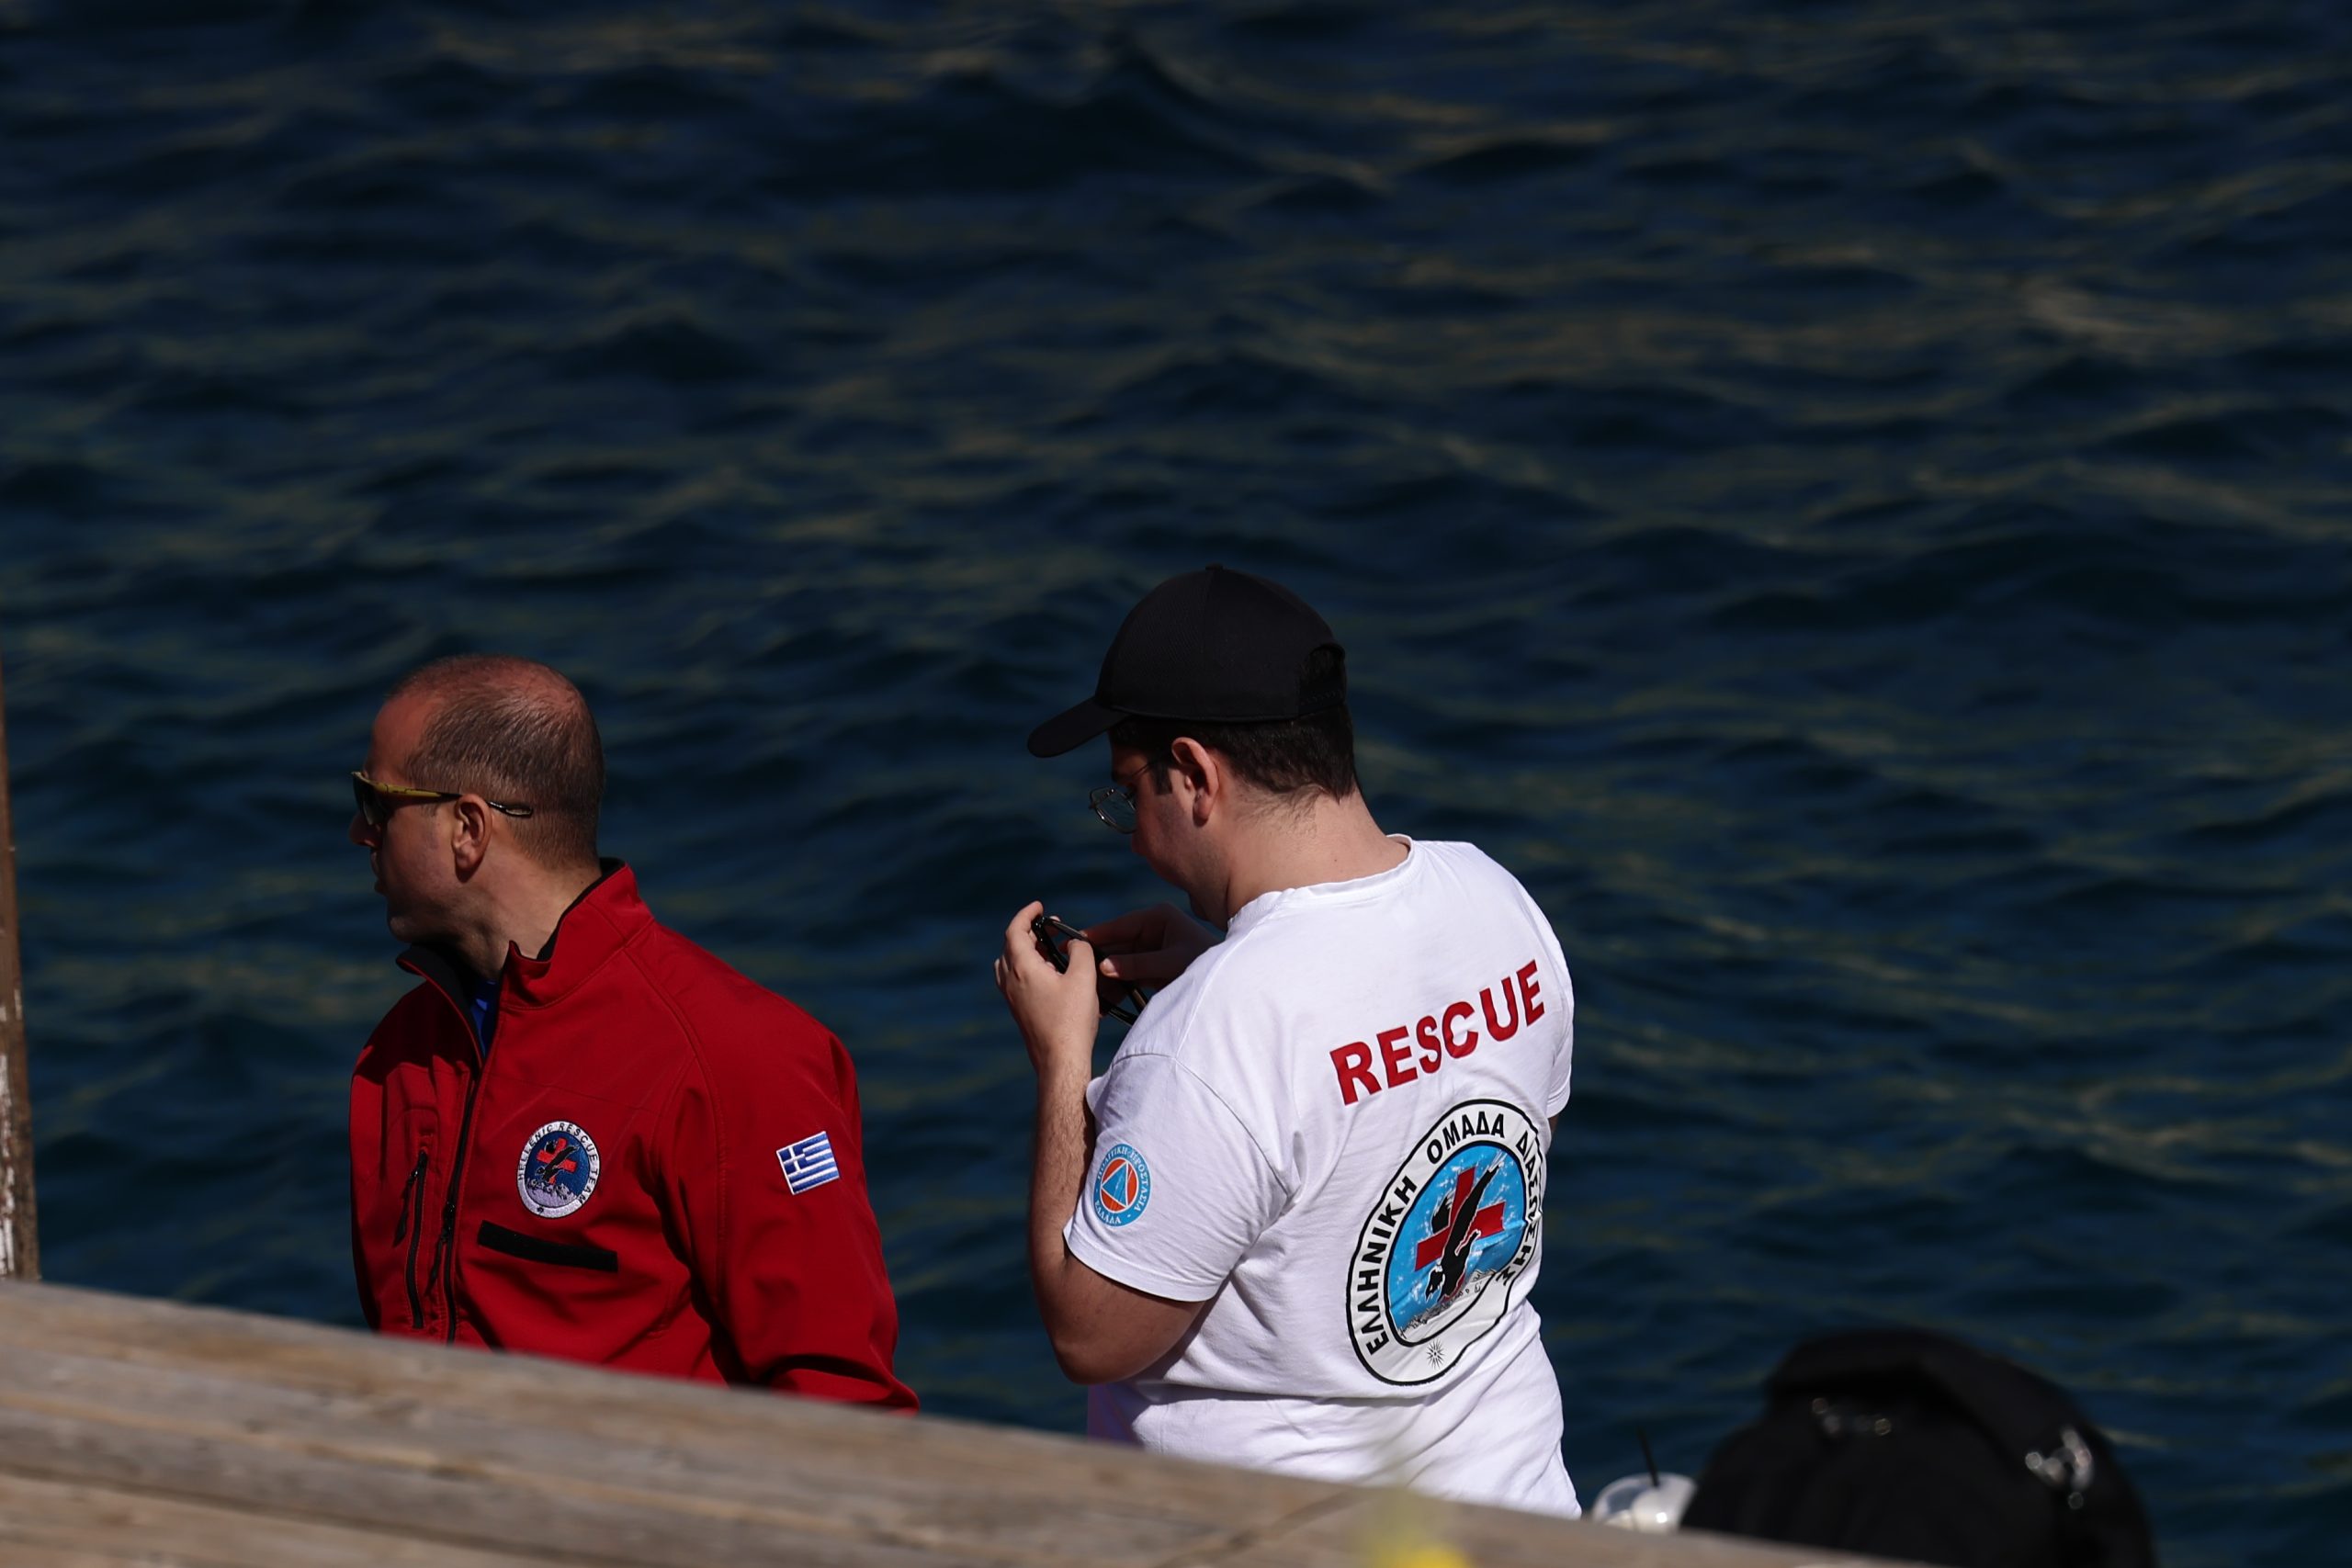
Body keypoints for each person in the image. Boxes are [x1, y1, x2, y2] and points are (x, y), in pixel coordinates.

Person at [994, 566, 1577, 1514]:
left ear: (1195, 775)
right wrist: (1217, 974)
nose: (1134, 838)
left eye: (1129, 795)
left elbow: (1090, 1334)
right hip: (1528, 1519)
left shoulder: (1208, 1039)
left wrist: (1062, 1061)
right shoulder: (1498, 902)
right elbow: (1474, 1125)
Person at [346, 654, 914, 1408]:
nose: (360, 831)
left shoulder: (740, 1059)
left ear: (468, 828)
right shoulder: (397, 1056)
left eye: (377, 803)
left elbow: (842, 1396)